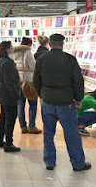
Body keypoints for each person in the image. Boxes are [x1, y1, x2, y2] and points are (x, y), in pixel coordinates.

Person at [34, 34, 91, 171]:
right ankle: (77, 164)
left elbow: (36, 81)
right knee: (71, 134)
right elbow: (78, 81)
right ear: (62, 44)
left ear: (50, 44)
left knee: (48, 133)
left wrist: (42, 95)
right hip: (66, 102)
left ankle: (49, 162)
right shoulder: (70, 59)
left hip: (47, 101)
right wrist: (78, 99)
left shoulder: (42, 59)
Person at [0, 41, 21, 153]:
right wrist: (16, 96)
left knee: (3, 117)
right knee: (10, 119)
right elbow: (9, 81)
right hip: (8, 94)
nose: (13, 50)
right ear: (7, 49)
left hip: (1, 92)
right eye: (11, 48)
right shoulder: (8, 63)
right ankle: (9, 144)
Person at [14, 37, 42, 134]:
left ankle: (23, 126)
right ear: (29, 45)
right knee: (33, 103)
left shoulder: (15, 53)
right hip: (29, 81)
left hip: (18, 80)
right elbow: (34, 67)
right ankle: (32, 126)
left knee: (20, 105)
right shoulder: (28, 53)